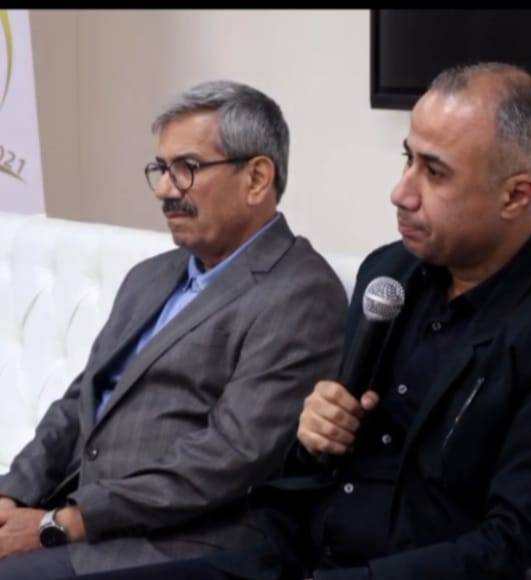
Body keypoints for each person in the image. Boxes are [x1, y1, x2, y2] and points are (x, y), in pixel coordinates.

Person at [78, 63, 531, 580]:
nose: (401, 192)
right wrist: (313, 439)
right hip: (286, 560)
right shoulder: (390, 275)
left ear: (516, 195)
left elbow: (522, 547)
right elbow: (306, 480)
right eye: (407, 159)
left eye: (435, 173)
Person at [0, 80, 348, 578]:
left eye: (187, 168)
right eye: (161, 169)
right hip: (76, 515)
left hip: (173, 545)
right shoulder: (151, 276)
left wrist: (63, 523)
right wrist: (13, 493)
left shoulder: (301, 294)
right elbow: (79, 401)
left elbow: (230, 456)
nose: (165, 189)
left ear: (256, 178)